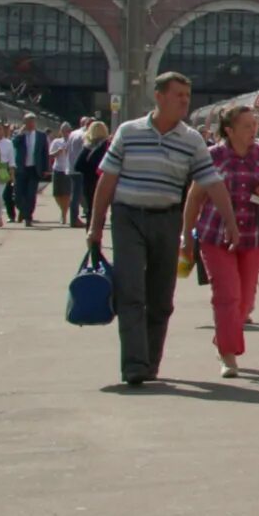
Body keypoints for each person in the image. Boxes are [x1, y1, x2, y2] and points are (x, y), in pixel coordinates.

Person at [88, 72, 228, 387]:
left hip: (167, 219)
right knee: (132, 292)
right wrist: (95, 227)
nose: (184, 101)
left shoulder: (191, 139)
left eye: (187, 96)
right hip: (128, 218)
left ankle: (150, 362)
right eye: (178, 95)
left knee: (161, 298)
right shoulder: (128, 131)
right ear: (159, 96)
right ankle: (134, 365)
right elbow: (107, 180)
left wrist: (230, 221)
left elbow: (211, 182)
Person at [192, 104, 259, 378]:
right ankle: (228, 356)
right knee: (227, 294)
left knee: (244, 298)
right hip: (216, 234)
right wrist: (184, 234)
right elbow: (195, 196)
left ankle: (223, 337)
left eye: (255, 125)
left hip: (254, 235)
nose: (254, 130)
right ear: (229, 130)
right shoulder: (212, 156)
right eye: (247, 126)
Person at [8, 113, 51, 225]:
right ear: (24, 123)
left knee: (31, 195)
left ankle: (28, 217)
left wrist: (46, 168)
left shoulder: (41, 136)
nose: (31, 124)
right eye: (28, 122)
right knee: (18, 195)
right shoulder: (19, 134)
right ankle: (23, 211)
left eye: (32, 122)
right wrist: (20, 134)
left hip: (34, 169)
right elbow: (13, 144)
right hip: (21, 169)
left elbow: (44, 153)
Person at [68, 121, 110, 229]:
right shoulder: (108, 147)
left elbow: (78, 166)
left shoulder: (88, 147)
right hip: (104, 181)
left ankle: (90, 234)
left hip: (89, 182)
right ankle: (97, 233)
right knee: (102, 209)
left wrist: (89, 171)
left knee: (91, 209)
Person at [49, 123, 75, 224]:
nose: (66, 133)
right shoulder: (56, 141)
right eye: (64, 131)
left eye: (68, 131)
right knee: (57, 194)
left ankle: (64, 214)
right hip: (57, 169)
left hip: (68, 170)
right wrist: (57, 152)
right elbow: (50, 155)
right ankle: (63, 209)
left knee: (67, 194)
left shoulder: (72, 141)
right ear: (61, 131)